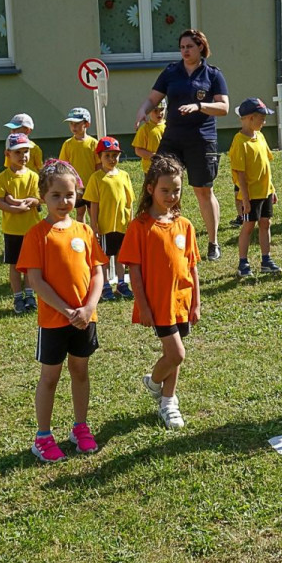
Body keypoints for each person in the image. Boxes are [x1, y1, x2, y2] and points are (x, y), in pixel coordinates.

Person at [16, 160, 105, 463]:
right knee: (50, 377)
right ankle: (43, 437)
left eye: (69, 195)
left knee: (80, 371)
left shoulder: (84, 230)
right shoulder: (36, 235)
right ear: (43, 197)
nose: (64, 202)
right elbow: (36, 280)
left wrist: (88, 307)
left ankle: (80, 427)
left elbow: (97, 274)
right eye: (56, 195)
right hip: (55, 321)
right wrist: (68, 310)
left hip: (84, 319)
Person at [119, 155, 201, 430]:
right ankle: (155, 383)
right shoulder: (140, 227)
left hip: (182, 301)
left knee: (175, 354)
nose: (171, 196)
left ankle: (167, 401)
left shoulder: (185, 225)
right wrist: (142, 306)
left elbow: (192, 267)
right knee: (177, 354)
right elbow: (135, 272)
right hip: (158, 303)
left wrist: (196, 303)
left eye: (176, 190)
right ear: (151, 188)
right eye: (165, 190)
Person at [134, 28, 230, 261]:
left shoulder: (213, 75)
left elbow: (224, 108)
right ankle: (154, 232)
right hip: (173, 137)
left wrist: (200, 106)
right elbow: (152, 98)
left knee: (203, 190)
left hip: (201, 138)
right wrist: (142, 110)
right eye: (182, 47)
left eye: (190, 46)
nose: (185, 51)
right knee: (157, 182)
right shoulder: (171, 72)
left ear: (200, 48)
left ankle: (212, 242)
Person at [0, 132, 42, 314]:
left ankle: (30, 294)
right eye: (18, 152)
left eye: (26, 151)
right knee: (14, 265)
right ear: (7, 154)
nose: (23, 156)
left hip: (31, 229)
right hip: (12, 230)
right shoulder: (3, 178)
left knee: (30, 265)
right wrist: (14, 208)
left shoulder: (34, 177)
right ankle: (17, 296)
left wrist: (31, 201)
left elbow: (40, 198)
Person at [229, 98, 281, 278]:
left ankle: (266, 260)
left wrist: (272, 189)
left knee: (266, 223)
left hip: (265, 192)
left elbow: (266, 164)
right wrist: (245, 198)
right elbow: (240, 174)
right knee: (248, 226)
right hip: (250, 195)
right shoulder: (239, 142)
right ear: (250, 118)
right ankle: (243, 263)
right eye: (262, 118)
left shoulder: (260, 136)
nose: (264, 122)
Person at [82, 136, 135, 301]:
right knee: (104, 256)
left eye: (115, 155)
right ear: (100, 157)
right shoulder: (96, 178)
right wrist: (94, 224)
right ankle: (104, 284)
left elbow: (129, 201)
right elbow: (94, 203)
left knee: (121, 255)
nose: (112, 159)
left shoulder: (124, 175)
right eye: (107, 156)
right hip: (105, 225)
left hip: (122, 224)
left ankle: (121, 283)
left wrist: (131, 222)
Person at [58, 107, 99, 223]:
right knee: (80, 212)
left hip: (91, 186)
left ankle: (95, 236)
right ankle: (81, 235)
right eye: (71, 124)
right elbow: (63, 165)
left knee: (94, 213)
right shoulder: (68, 144)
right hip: (76, 187)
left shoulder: (93, 143)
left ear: (86, 124)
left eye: (76, 124)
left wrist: (97, 183)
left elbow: (98, 165)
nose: (73, 127)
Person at [132, 98, 166, 173]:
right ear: (149, 112)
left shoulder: (169, 126)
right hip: (151, 169)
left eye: (162, 109)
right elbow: (138, 150)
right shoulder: (145, 129)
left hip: (167, 167)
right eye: (155, 110)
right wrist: (153, 156)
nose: (159, 113)